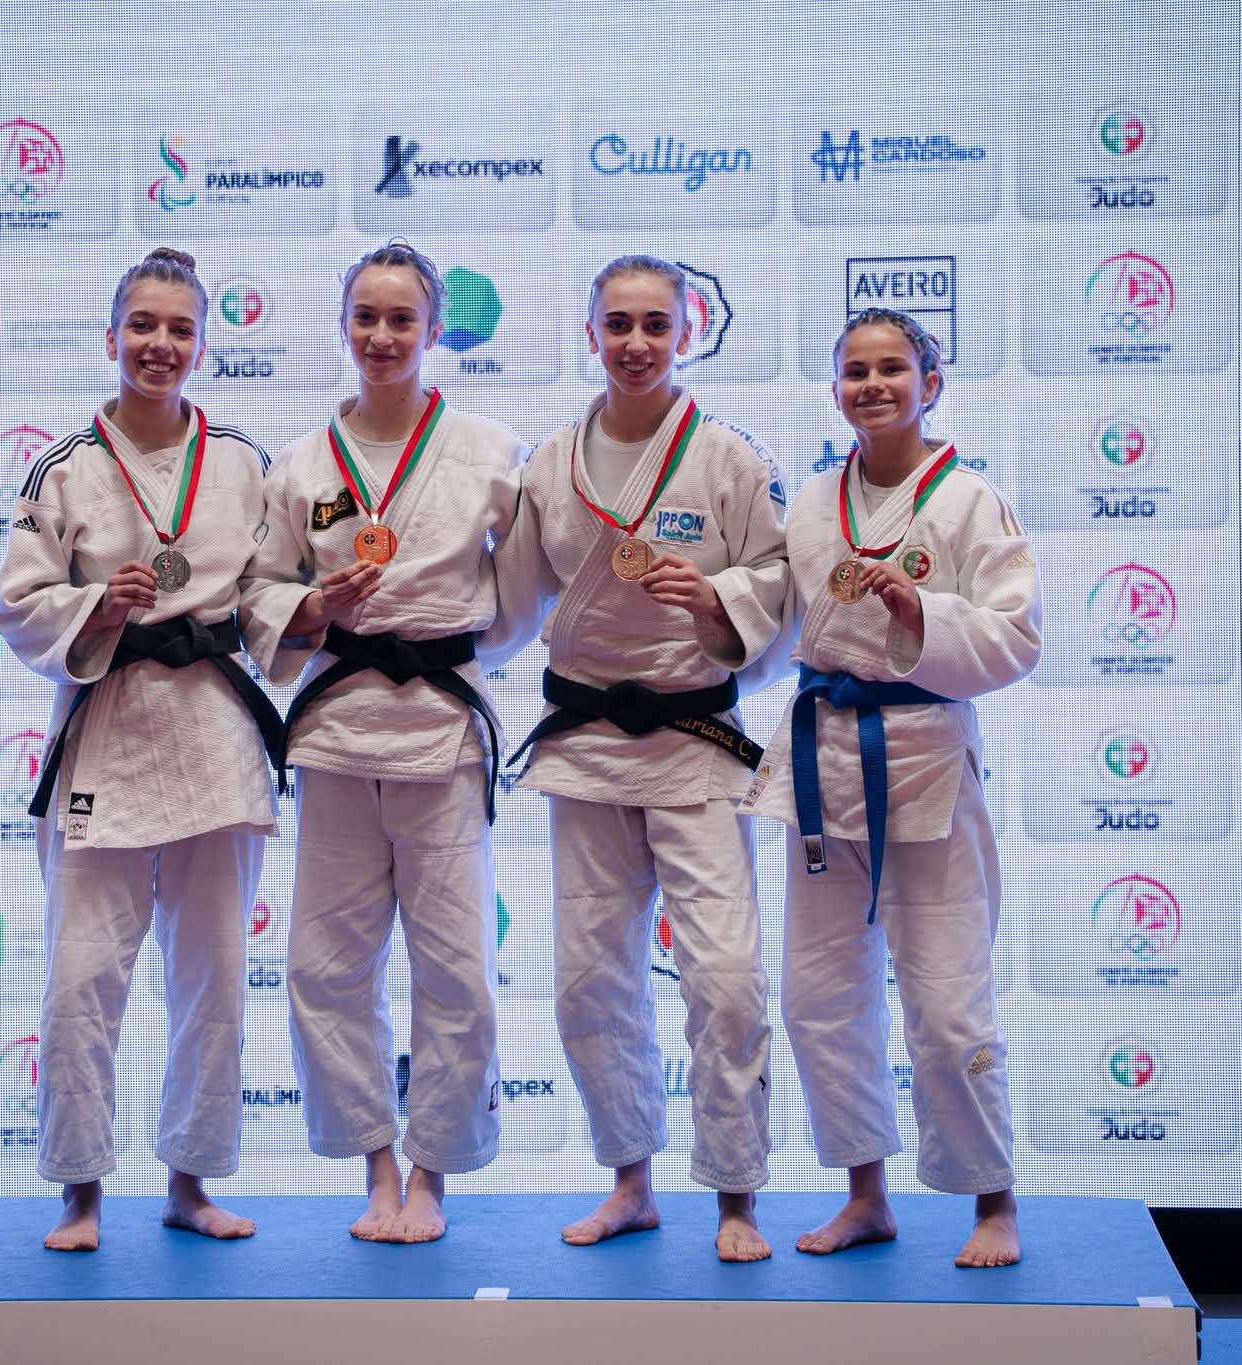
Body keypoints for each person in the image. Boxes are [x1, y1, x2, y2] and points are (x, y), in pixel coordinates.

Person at [489, 255, 790, 1263]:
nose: (634, 343)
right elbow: (508, 606)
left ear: (687, 331)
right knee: (590, 979)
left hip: (694, 743)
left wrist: (718, 600)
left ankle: (737, 1192)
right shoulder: (549, 464)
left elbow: (777, 584)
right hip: (585, 748)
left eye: (655, 324)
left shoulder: (729, 460)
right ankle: (629, 1181)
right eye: (616, 323)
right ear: (590, 333)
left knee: (726, 978)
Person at [0, 248, 284, 1252]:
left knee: (212, 979)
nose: (160, 344)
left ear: (203, 343)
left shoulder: (242, 462)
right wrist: (95, 605)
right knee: (81, 979)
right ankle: (79, 1193)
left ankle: (190, 1184)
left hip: (214, 735)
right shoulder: (64, 467)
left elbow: (270, 591)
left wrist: (311, 609)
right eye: (143, 325)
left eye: (179, 328)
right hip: (107, 735)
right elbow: (17, 604)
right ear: (111, 335)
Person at [740, 306, 1040, 1268]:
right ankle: (865, 1194)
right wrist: (705, 603)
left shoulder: (970, 500)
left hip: (926, 761)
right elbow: (771, 615)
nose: (872, 386)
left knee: (948, 1006)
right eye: (856, 372)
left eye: (892, 370)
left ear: (930, 384)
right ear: (837, 390)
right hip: (824, 763)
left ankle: (994, 1198)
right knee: (818, 996)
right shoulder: (810, 501)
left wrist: (924, 612)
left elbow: (1017, 636)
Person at [239, 241, 525, 1244]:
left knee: (456, 968)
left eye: (402, 318)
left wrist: (455, 644)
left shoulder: (489, 451)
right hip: (334, 732)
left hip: (440, 729)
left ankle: (432, 1171)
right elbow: (261, 592)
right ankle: (375, 1162)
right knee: (324, 967)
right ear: (343, 325)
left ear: (434, 329)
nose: (382, 334)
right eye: (365, 315)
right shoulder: (300, 464)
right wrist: (313, 608)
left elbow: (519, 596)